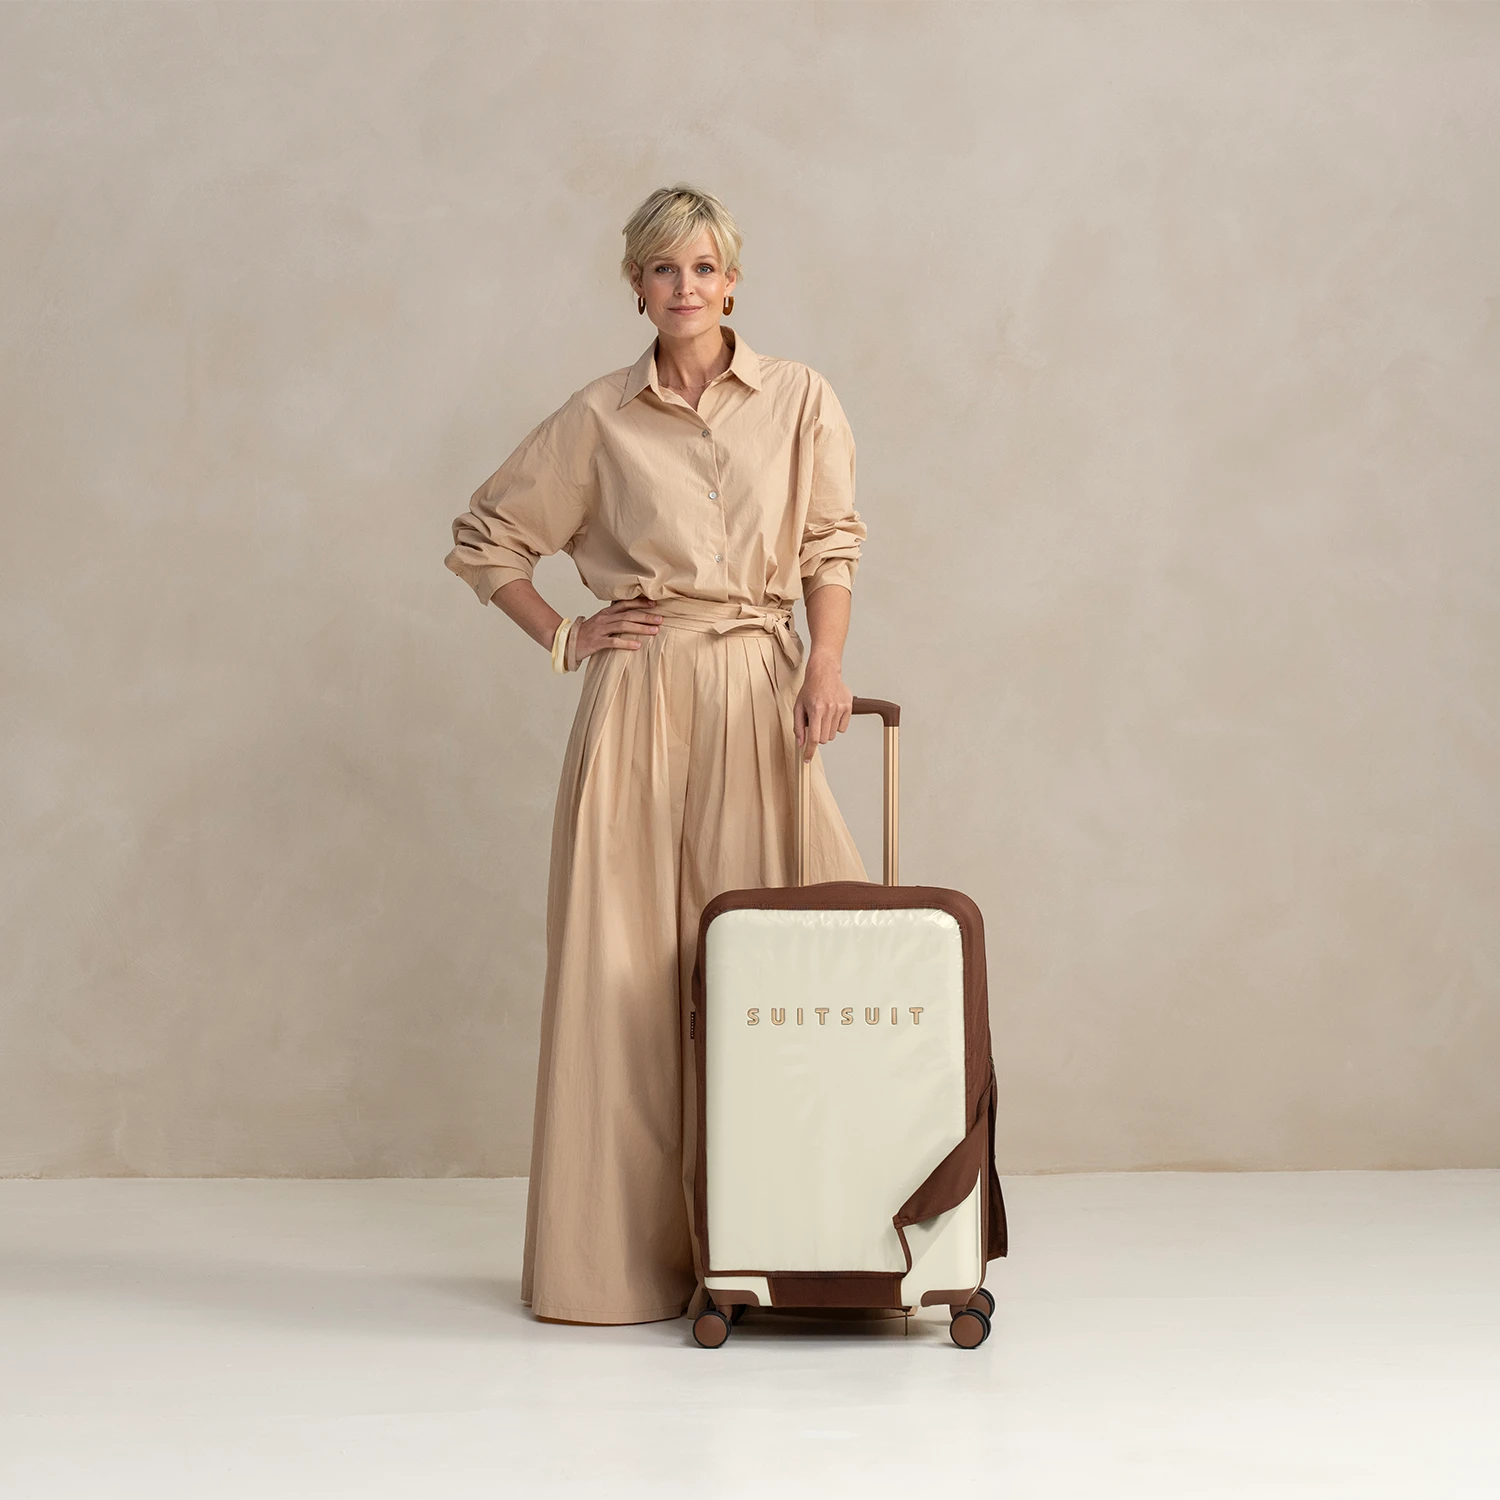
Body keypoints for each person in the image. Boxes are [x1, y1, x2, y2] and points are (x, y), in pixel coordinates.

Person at [444, 183, 870, 1326]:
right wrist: (566, 635)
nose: (687, 287)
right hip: (637, 699)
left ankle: (800, 1249)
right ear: (636, 286)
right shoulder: (597, 418)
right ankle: (622, 1267)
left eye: (705, 268)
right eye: (664, 269)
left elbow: (830, 544)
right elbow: (486, 538)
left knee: (784, 964)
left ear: (735, 282)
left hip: (758, 689)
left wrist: (825, 664)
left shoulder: (800, 399)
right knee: (626, 978)